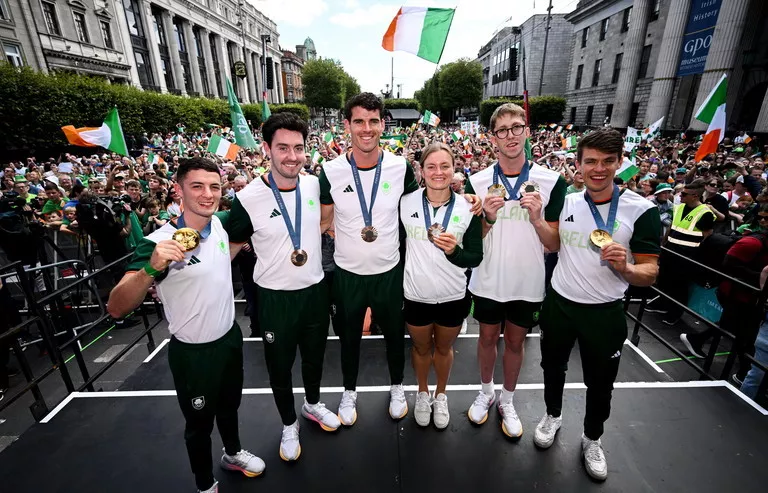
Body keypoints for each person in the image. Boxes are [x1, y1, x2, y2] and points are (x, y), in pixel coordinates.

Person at [107, 157, 264, 493]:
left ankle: (233, 453)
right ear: (177, 190)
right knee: (199, 424)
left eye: (214, 187)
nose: (207, 194)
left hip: (229, 339)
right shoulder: (157, 243)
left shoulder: (220, 224)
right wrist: (150, 270)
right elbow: (116, 307)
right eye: (197, 186)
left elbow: (228, 249)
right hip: (192, 353)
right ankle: (204, 484)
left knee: (230, 406)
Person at [533, 128, 660, 481]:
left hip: (605, 311)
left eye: (607, 161)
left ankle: (593, 438)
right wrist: (536, 221)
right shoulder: (569, 200)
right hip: (560, 304)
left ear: (620, 162)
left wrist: (626, 267)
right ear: (578, 164)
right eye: (591, 161)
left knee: (601, 382)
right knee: (551, 367)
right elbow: (554, 244)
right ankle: (553, 415)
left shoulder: (642, 210)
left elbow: (650, 273)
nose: (599, 169)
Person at [225, 113, 340, 461]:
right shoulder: (247, 199)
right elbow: (228, 252)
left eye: (298, 148)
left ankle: (313, 404)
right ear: (266, 149)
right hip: (274, 298)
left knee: (315, 359)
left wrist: (324, 231)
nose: (292, 156)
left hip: (314, 290)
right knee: (279, 367)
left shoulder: (313, 184)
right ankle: (288, 423)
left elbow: (328, 214)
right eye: (283, 148)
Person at [464, 102, 567, 437]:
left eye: (516, 127)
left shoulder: (551, 181)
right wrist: (488, 220)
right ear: (492, 137)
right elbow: (469, 240)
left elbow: (553, 244)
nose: (510, 135)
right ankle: (485, 391)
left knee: (515, 342)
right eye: (502, 130)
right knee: (486, 337)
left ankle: (508, 399)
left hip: (527, 280)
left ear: (527, 131)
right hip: (488, 279)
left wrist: (537, 219)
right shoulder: (476, 181)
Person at [318, 93, 420, 424]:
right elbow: (322, 221)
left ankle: (397, 386)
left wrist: (467, 205)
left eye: (373, 121)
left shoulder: (400, 167)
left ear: (382, 124)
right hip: (348, 275)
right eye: (359, 121)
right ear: (346, 125)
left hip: (389, 272)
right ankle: (349, 392)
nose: (367, 128)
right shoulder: (329, 171)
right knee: (348, 340)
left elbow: (416, 212)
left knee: (394, 336)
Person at [400, 143, 483, 429]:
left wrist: (454, 252)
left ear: (454, 169)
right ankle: (423, 393)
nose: (438, 172)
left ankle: (441, 394)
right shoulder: (405, 202)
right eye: (431, 166)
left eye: (445, 166)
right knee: (421, 349)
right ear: (421, 171)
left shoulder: (469, 207)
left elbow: (475, 256)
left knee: (444, 350)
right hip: (416, 295)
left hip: (453, 296)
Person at [646, 180, 715, 325]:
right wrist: (663, 245)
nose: (680, 195)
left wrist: (698, 257)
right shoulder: (679, 207)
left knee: (679, 285)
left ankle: (675, 312)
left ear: (695, 196)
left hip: (687, 255)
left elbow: (707, 236)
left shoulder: (705, 213)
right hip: (670, 250)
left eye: (684, 194)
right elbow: (672, 226)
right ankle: (662, 303)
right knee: (664, 279)